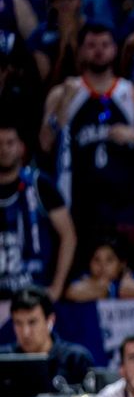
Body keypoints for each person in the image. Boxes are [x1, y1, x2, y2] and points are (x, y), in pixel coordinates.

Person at [39, 22, 134, 253]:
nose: (98, 50)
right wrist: (63, 105)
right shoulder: (63, 93)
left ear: (115, 49)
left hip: (126, 205)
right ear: (80, 51)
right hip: (77, 205)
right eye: (91, 45)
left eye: (105, 45)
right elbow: (45, 144)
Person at [0, 118, 74, 300]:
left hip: (34, 294)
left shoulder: (40, 185)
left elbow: (69, 236)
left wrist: (56, 288)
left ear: (21, 147)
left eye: (10, 143)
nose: (4, 149)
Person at [0, 285, 92, 393]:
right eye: (18, 323)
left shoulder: (75, 359)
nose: (25, 332)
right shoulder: (3, 359)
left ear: (50, 321)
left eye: (32, 322)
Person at [65, 237, 134, 301]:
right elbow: (72, 293)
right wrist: (102, 288)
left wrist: (124, 284)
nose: (102, 265)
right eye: (96, 260)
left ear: (122, 263)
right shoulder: (84, 276)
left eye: (109, 260)